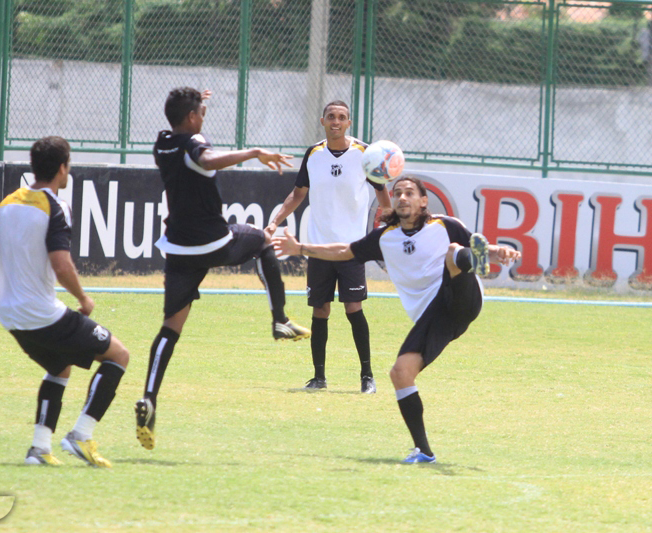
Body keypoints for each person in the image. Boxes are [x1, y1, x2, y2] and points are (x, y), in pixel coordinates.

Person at [273, 175, 521, 463]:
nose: (402, 197)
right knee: (400, 374)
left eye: (410, 193)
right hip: (434, 317)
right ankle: (424, 451)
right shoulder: (384, 238)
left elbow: (477, 244)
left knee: (454, 251)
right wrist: (300, 248)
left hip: (463, 297)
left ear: (423, 201)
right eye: (398, 193)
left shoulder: (444, 226)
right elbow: (344, 251)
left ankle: (471, 264)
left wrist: (496, 251)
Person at [134, 87, 311, 451]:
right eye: (201, 110)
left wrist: (195, 98)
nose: (204, 115)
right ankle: (279, 320)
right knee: (262, 240)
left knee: (170, 328)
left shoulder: (162, 144)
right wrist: (254, 152)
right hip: (212, 241)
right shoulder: (193, 144)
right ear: (193, 117)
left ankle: (149, 397)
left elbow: (185, 128)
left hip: (178, 248)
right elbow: (208, 157)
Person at [0, 136, 129, 468]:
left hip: (9, 315)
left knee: (59, 367)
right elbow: (61, 265)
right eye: (68, 165)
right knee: (118, 355)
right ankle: (81, 435)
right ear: (62, 168)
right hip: (42, 314)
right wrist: (83, 298)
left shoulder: (6, 204)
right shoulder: (55, 207)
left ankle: (39, 449)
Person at [265, 100, 391, 394]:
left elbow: (383, 198)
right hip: (317, 247)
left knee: (353, 308)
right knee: (320, 310)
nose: (336, 121)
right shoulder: (314, 154)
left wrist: (387, 227)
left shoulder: (364, 154)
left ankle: (367, 377)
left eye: (342, 118)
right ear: (322, 121)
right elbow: (297, 195)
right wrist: (275, 221)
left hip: (351, 249)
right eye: (331, 117)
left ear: (349, 123)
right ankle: (319, 378)